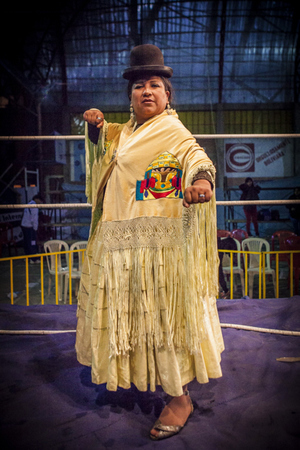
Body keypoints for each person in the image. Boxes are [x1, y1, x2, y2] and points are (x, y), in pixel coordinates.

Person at [75, 44, 224, 441]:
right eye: (139, 85)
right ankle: (141, 379)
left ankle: (180, 398)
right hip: (119, 246)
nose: (146, 91)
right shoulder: (123, 132)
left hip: (160, 249)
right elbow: (102, 144)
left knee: (163, 322)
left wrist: (202, 182)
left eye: (154, 84)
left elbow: (197, 157)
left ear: (167, 94)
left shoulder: (174, 131)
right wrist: (93, 124)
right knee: (134, 321)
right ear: (130, 97)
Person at [21, 193, 44, 263]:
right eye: (40, 201)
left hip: (24, 226)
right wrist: (35, 228)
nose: (40, 203)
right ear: (36, 199)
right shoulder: (34, 206)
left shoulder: (28, 204)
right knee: (32, 242)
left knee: (27, 242)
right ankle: (33, 258)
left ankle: (27, 257)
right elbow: (34, 218)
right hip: (30, 227)